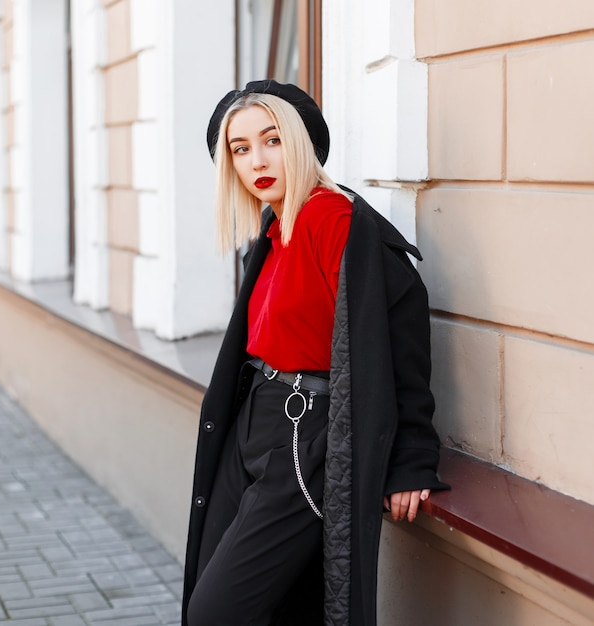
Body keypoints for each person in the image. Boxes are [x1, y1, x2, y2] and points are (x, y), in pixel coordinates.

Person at [182, 80, 448, 626]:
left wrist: (412, 455)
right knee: (216, 595)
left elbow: (400, 328)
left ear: (301, 142)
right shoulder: (276, 224)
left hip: (305, 432)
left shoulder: (335, 219)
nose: (257, 160)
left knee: (216, 615)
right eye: (240, 148)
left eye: (272, 140)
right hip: (253, 421)